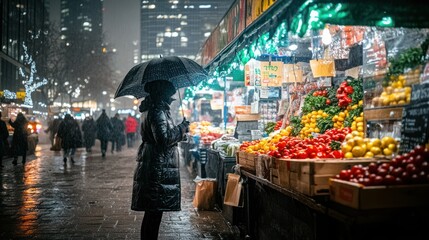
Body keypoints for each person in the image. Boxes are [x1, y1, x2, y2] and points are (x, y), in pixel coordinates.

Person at [131, 80, 189, 240]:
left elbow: (162, 135)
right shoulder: (157, 111)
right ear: (162, 95)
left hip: (155, 163)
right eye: (169, 96)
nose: (171, 100)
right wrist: (181, 128)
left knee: (153, 213)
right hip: (158, 166)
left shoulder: (152, 109)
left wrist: (179, 132)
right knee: (154, 214)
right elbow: (163, 138)